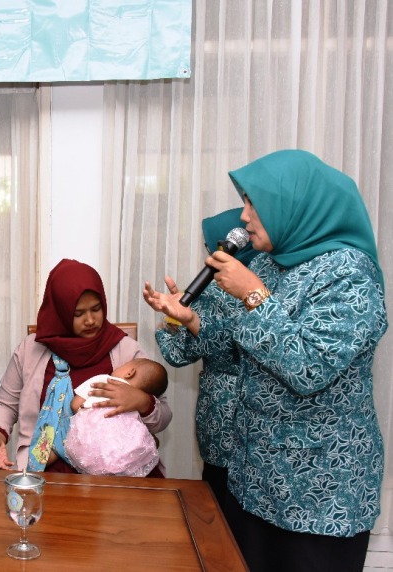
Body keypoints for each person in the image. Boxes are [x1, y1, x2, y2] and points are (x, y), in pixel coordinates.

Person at [147, 150, 387, 572]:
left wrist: (253, 294)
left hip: (318, 495)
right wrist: (192, 322)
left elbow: (310, 368)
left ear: (292, 204)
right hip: (255, 481)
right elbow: (241, 354)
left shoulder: (350, 272)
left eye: (253, 203)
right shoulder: (273, 266)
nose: (243, 216)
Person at [0, 258, 172, 474]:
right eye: (78, 314)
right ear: (60, 311)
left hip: (114, 474)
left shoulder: (125, 350)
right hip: (45, 472)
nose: (91, 320)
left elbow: (164, 417)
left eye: (96, 309)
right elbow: (6, 404)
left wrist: (141, 401)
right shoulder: (30, 350)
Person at [142, 207, 257, 510]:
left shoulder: (226, 293)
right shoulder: (269, 291)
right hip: (249, 424)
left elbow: (178, 355)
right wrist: (182, 315)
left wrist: (174, 322)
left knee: (222, 510)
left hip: (226, 415)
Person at [64, 357, 167, 477]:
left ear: (130, 372)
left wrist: (84, 411)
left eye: (125, 364)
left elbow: (75, 405)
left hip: (92, 442)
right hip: (124, 452)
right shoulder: (134, 400)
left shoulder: (105, 380)